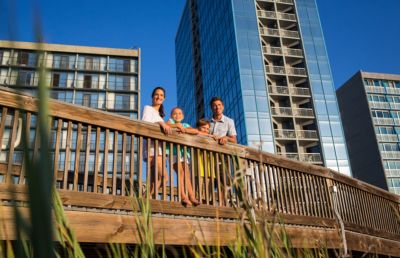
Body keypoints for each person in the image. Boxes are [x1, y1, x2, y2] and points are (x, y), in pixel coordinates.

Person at [142, 87, 172, 198]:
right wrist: (160, 122)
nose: (159, 97)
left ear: (164, 98)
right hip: (151, 147)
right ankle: (146, 198)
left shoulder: (160, 115)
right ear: (152, 96)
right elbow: (145, 123)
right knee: (165, 178)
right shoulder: (148, 108)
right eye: (156, 94)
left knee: (154, 181)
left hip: (160, 149)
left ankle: (146, 200)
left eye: (161, 95)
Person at [166, 107, 200, 206]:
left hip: (184, 153)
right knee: (180, 173)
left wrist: (184, 130)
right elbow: (167, 125)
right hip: (173, 151)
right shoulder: (171, 121)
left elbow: (195, 131)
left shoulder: (185, 125)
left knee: (187, 174)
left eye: (180, 113)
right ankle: (183, 196)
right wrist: (176, 125)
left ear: (183, 116)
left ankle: (192, 196)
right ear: (171, 116)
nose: (177, 115)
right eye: (175, 113)